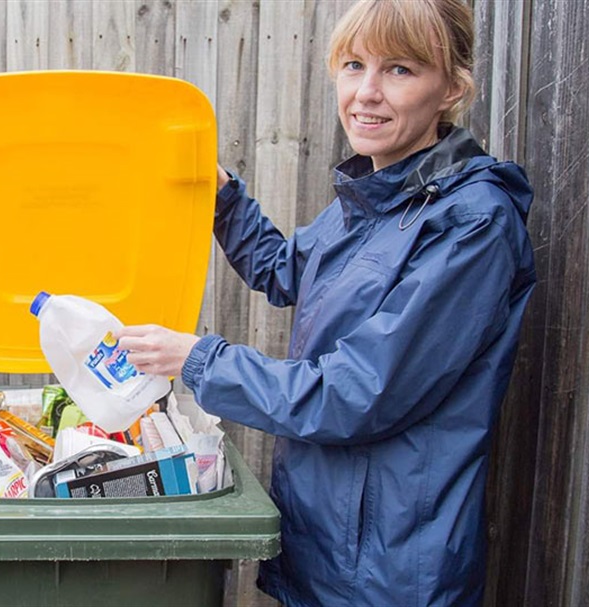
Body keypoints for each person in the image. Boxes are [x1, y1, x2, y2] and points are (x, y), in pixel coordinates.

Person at [115, 0, 536, 605]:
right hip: (323, 542)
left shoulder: (470, 224)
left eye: (400, 69)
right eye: (354, 65)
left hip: (391, 567)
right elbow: (285, 271)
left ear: (451, 88)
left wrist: (199, 359)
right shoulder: (377, 198)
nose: (366, 93)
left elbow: (357, 394)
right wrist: (223, 197)